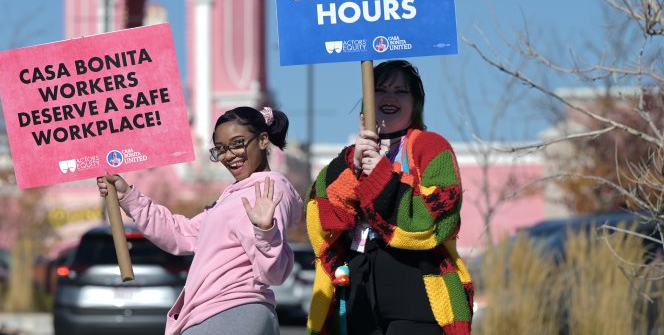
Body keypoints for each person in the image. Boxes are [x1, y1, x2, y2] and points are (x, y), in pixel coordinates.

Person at [98, 105, 301, 335]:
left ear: (263, 140)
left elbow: (273, 274)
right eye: (221, 149)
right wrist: (129, 197)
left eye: (237, 143)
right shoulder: (234, 195)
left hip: (232, 311)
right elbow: (181, 235)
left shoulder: (266, 191)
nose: (229, 155)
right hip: (215, 314)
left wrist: (266, 232)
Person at [305, 60, 473, 335]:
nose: (390, 97)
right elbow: (319, 220)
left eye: (400, 91)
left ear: (415, 103)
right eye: (380, 90)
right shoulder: (352, 154)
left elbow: (433, 220)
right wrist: (352, 167)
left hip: (415, 282)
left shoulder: (431, 147)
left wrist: (382, 175)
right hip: (357, 283)